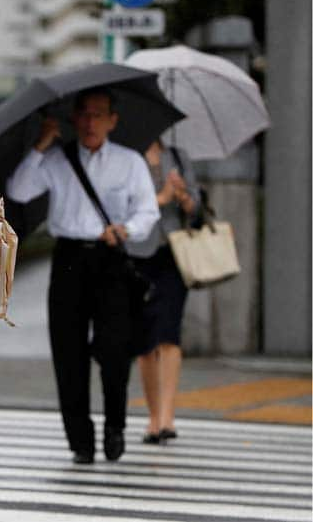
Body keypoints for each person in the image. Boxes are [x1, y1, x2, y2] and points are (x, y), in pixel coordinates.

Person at [6, 87, 160, 464]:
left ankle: (115, 426)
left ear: (112, 120)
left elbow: (148, 211)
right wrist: (41, 145)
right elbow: (18, 190)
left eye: (98, 114)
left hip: (111, 259)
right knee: (68, 351)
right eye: (84, 114)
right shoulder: (57, 159)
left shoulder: (130, 161)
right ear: (73, 119)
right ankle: (80, 440)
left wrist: (126, 230)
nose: (90, 122)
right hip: (69, 258)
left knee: (114, 348)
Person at [127, 140, 200, 444]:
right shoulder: (127, 157)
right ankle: (153, 417)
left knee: (169, 334)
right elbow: (120, 207)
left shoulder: (178, 155)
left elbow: (196, 207)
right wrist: (160, 198)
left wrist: (183, 197)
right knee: (145, 342)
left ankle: (168, 419)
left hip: (173, 253)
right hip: (137, 255)